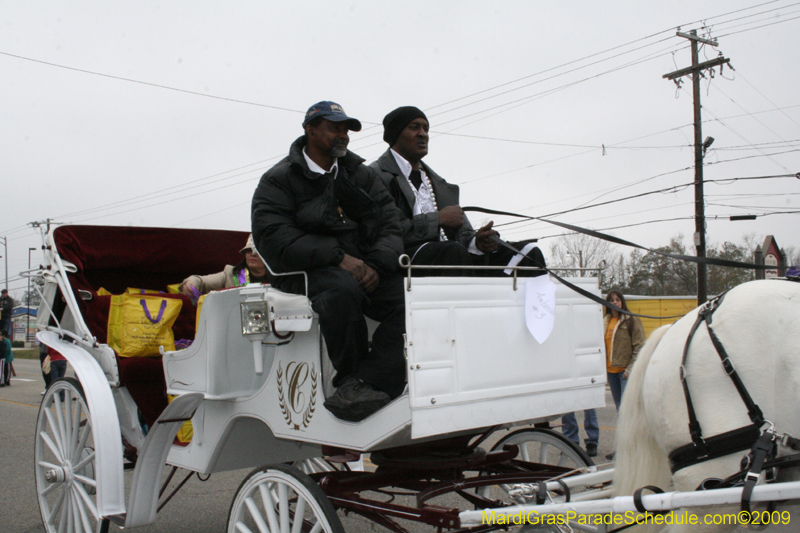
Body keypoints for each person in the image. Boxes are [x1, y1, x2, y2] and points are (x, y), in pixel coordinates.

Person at [251, 101, 406, 422]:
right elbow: (275, 238)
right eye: (334, 127)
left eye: (346, 129)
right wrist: (338, 258)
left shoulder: (360, 174)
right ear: (309, 130)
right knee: (341, 289)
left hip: (362, 269)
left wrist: (375, 265)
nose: (343, 135)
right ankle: (348, 379)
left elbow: (390, 223)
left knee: (409, 295)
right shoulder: (279, 179)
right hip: (301, 273)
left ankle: (373, 378)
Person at [369, 106, 546, 276]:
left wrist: (478, 241)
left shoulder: (438, 183)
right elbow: (386, 230)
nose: (423, 134)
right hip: (407, 260)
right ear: (395, 134)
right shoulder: (376, 175)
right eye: (414, 127)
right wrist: (438, 219)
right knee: (453, 251)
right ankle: (471, 305)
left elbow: (464, 234)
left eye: (426, 128)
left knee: (528, 253)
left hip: (453, 255)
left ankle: (530, 308)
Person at [603, 289, 645, 460]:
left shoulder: (631, 320)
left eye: (617, 300)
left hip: (624, 372)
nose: (614, 303)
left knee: (627, 411)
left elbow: (640, 345)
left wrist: (630, 369)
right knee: (620, 411)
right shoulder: (606, 321)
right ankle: (622, 448)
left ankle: (632, 449)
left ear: (622, 302)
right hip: (611, 372)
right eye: (611, 300)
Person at [179, 234, 270, 301]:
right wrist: (191, 283)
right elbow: (201, 281)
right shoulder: (230, 274)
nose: (252, 254)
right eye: (248, 250)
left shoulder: (281, 279)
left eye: (257, 251)